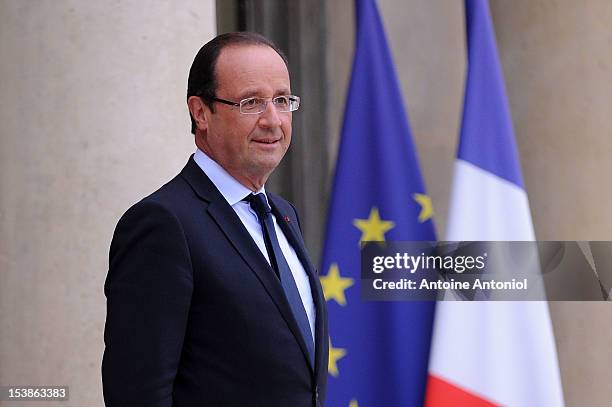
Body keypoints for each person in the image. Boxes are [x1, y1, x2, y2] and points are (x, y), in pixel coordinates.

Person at [102, 32, 328, 407]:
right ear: (201, 112)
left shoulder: (284, 214)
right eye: (251, 102)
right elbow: (137, 395)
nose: (273, 120)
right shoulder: (163, 224)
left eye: (282, 100)